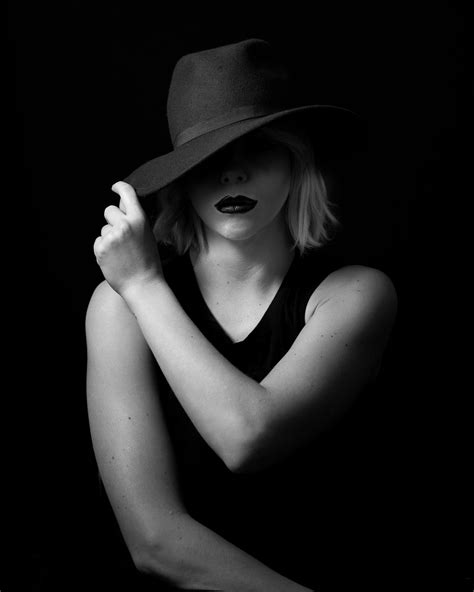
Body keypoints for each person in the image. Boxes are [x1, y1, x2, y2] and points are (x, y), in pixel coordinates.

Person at [86, 38, 398, 591]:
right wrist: (138, 288)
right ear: (182, 175)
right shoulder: (119, 307)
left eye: (258, 148)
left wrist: (142, 282)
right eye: (209, 157)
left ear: (295, 160)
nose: (233, 175)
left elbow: (247, 439)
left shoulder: (354, 294)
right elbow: (154, 541)